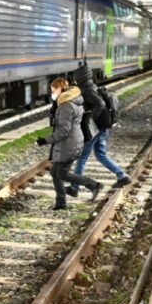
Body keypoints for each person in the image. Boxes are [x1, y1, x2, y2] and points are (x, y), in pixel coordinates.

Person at [37, 78, 101, 210]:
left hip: (69, 144)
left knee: (62, 173)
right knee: (55, 172)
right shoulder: (71, 102)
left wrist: (45, 140)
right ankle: (61, 203)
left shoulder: (66, 106)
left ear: (61, 89)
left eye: (54, 90)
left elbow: (63, 131)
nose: (52, 92)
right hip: (71, 142)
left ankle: (93, 184)